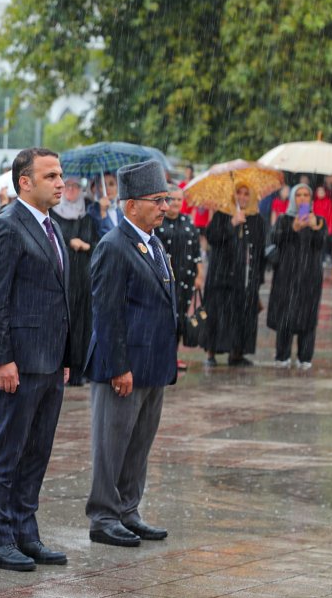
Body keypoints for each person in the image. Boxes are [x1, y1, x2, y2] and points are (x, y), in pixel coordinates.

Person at [0, 148, 70, 572]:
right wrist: (1, 359)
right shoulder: (6, 227)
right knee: (6, 453)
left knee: (36, 453)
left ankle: (24, 532)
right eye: (50, 175)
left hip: (48, 362)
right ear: (24, 182)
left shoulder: (53, 227)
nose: (60, 181)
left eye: (60, 174)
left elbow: (58, 299)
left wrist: (64, 356)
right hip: (15, 363)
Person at [84, 160, 177, 548]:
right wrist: (118, 366)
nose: (165, 206)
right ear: (132, 204)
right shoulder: (114, 245)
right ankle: (104, 515)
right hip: (123, 367)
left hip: (153, 364)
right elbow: (107, 312)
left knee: (139, 443)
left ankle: (128, 510)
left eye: (166, 199)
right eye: (157, 200)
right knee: (112, 443)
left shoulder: (153, 242)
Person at [201, 183, 266, 367]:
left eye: (247, 193)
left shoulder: (257, 220)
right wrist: (232, 224)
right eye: (239, 193)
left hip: (244, 278)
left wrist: (257, 279)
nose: (243, 197)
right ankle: (211, 352)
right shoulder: (222, 215)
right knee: (217, 313)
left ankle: (237, 353)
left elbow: (259, 251)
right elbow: (212, 237)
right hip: (221, 277)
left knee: (241, 315)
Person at [267, 184, 327, 370]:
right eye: (299, 195)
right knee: (286, 314)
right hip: (286, 275)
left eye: (306, 195)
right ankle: (282, 354)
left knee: (308, 316)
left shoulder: (318, 220)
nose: (302, 198)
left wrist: (315, 228)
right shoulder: (284, 219)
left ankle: (305, 356)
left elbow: (322, 245)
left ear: (311, 199)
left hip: (310, 276)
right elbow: (274, 239)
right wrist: (293, 228)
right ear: (293, 198)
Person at [51, 175, 99, 385]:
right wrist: (69, 241)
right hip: (65, 275)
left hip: (84, 275)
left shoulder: (87, 215)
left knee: (83, 322)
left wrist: (85, 245)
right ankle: (63, 366)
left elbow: (98, 243)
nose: (71, 190)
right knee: (65, 321)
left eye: (75, 187)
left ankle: (80, 368)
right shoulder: (54, 214)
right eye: (67, 186)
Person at [156, 185, 203, 371]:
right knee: (165, 318)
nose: (175, 202)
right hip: (166, 279)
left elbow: (196, 251)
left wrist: (199, 274)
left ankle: (173, 356)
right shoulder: (159, 222)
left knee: (181, 316)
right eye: (172, 199)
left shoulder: (188, 222)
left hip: (186, 278)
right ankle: (161, 357)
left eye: (178, 199)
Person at [312, 184, 332, 262]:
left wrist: (330, 228)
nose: (321, 192)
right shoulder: (313, 202)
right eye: (319, 191)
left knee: (324, 243)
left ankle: (323, 258)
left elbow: (331, 216)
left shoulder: (329, 202)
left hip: (325, 226)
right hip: (315, 226)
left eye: (322, 191)